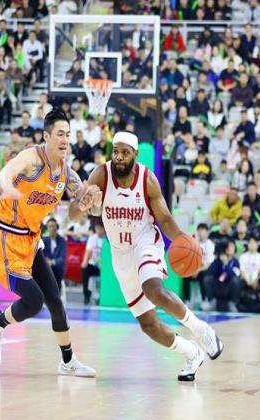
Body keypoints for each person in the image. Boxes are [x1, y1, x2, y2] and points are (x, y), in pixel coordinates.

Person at [86, 131, 224, 382]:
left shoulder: (147, 179)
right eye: (115, 151)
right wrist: (84, 202)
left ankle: (200, 329)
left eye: (125, 152)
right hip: (120, 255)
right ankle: (192, 352)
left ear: (136, 155)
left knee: (153, 289)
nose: (119, 157)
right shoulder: (100, 175)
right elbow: (81, 212)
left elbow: (165, 219)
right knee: (148, 325)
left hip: (145, 241)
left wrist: (185, 240)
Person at [0, 108, 102, 377]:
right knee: (34, 301)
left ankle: (68, 361)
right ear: (46, 136)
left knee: (55, 301)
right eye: (60, 134)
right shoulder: (32, 158)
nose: (65, 140)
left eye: (68, 135)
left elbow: (80, 211)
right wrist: (7, 186)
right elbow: (7, 171)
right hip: (6, 238)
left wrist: (92, 202)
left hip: (31, 241)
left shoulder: (67, 174)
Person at [81, 220, 105, 305]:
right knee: (85, 269)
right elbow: (88, 251)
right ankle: (86, 296)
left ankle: (102, 297)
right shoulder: (92, 238)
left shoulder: (108, 239)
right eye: (97, 228)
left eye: (100, 228)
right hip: (94, 265)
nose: (98, 231)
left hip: (105, 267)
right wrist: (84, 262)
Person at [42, 218, 67, 292]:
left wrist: (52, 262)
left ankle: (57, 294)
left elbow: (63, 257)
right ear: (47, 228)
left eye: (53, 226)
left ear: (57, 227)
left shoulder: (62, 240)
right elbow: (41, 255)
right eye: (50, 226)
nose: (52, 228)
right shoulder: (44, 240)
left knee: (57, 269)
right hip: (46, 267)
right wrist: (46, 261)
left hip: (57, 268)